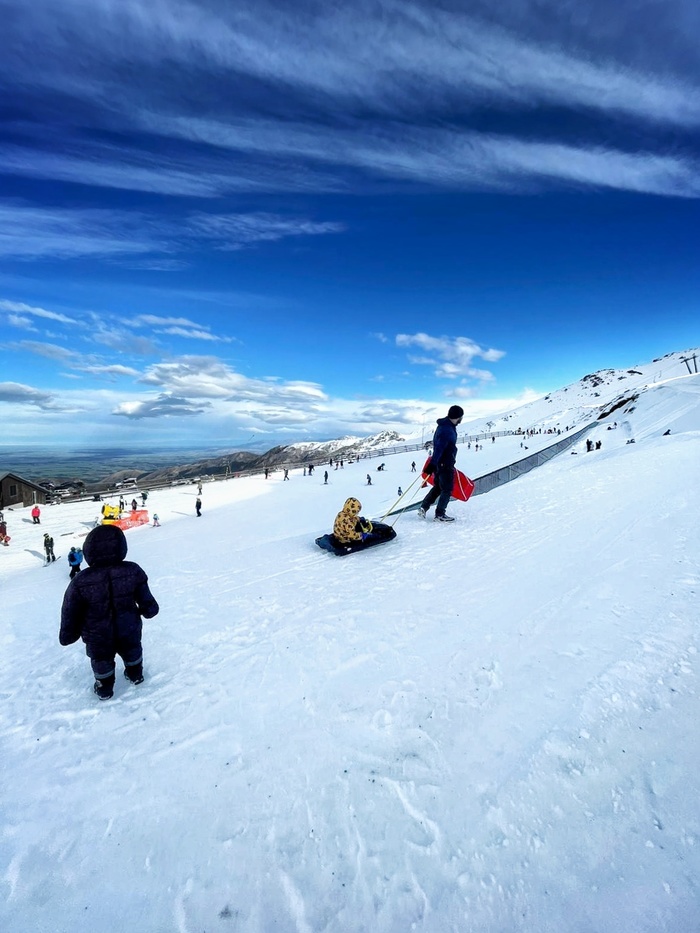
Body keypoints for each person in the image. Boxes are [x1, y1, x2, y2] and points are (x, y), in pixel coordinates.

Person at [60, 524, 159, 700]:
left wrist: (68, 633)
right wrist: (149, 608)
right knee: (132, 648)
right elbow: (144, 596)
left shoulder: (81, 580)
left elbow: (71, 609)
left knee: (101, 658)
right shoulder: (132, 570)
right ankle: (135, 674)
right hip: (128, 625)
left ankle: (104, 687)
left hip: (98, 633)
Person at [418, 405, 464, 523]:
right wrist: (433, 464)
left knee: (438, 487)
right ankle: (440, 514)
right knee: (447, 489)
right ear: (457, 417)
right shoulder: (447, 430)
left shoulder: (445, 425)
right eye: (461, 417)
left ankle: (424, 507)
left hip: (441, 463)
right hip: (445, 463)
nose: (461, 419)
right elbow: (439, 448)